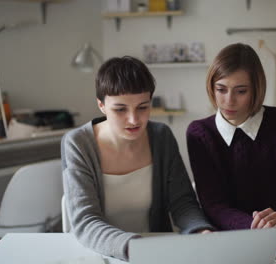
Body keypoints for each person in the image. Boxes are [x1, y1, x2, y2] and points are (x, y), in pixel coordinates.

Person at [61, 56, 213, 261]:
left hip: (155, 253)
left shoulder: (161, 136)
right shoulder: (78, 143)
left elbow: (182, 202)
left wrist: (200, 232)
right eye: (120, 109)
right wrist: (133, 246)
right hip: (101, 254)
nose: (133, 119)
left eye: (142, 107)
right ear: (101, 105)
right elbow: (85, 220)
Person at [186, 43, 276, 255]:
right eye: (221, 89)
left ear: (256, 89)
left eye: (241, 91)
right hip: (230, 245)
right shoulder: (200, 133)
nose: (228, 101)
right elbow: (214, 208)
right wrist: (269, 235)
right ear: (211, 87)